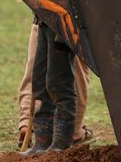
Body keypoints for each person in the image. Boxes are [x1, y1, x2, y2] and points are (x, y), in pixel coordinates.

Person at [17, 19, 94, 148]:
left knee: (36, 68)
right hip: (70, 15)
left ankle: (27, 124)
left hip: (43, 8)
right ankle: (73, 133)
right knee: (73, 71)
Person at [22, 17, 77, 155]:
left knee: (59, 83)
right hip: (45, 18)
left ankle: (60, 146)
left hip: (63, 19)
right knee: (40, 82)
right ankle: (42, 142)